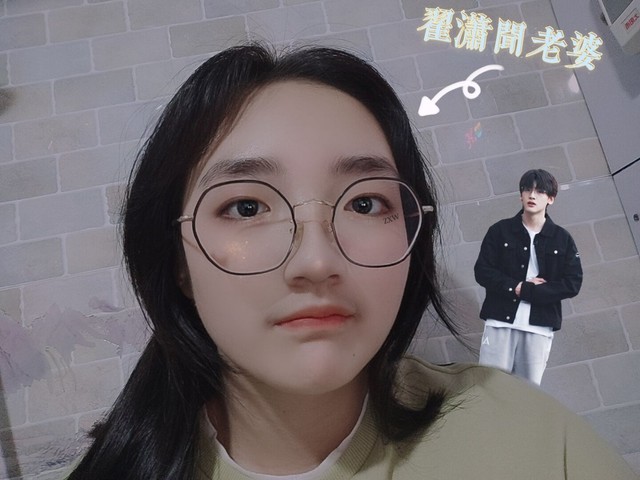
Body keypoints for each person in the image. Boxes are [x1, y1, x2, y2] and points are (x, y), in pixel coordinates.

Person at [66, 45, 636, 480]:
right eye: (246, 207)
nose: (316, 261)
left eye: (365, 203)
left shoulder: (523, 436)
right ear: (178, 261)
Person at [474, 169, 583, 385]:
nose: (532, 195)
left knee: (528, 392)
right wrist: (516, 287)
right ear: (521, 195)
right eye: (527, 190)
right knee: (490, 387)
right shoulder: (500, 231)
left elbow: (572, 283)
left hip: (539, 327)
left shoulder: (562, 239)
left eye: (540, 191)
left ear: (551, 199)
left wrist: (532, 291)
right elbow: (483, 271)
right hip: (500, 322)